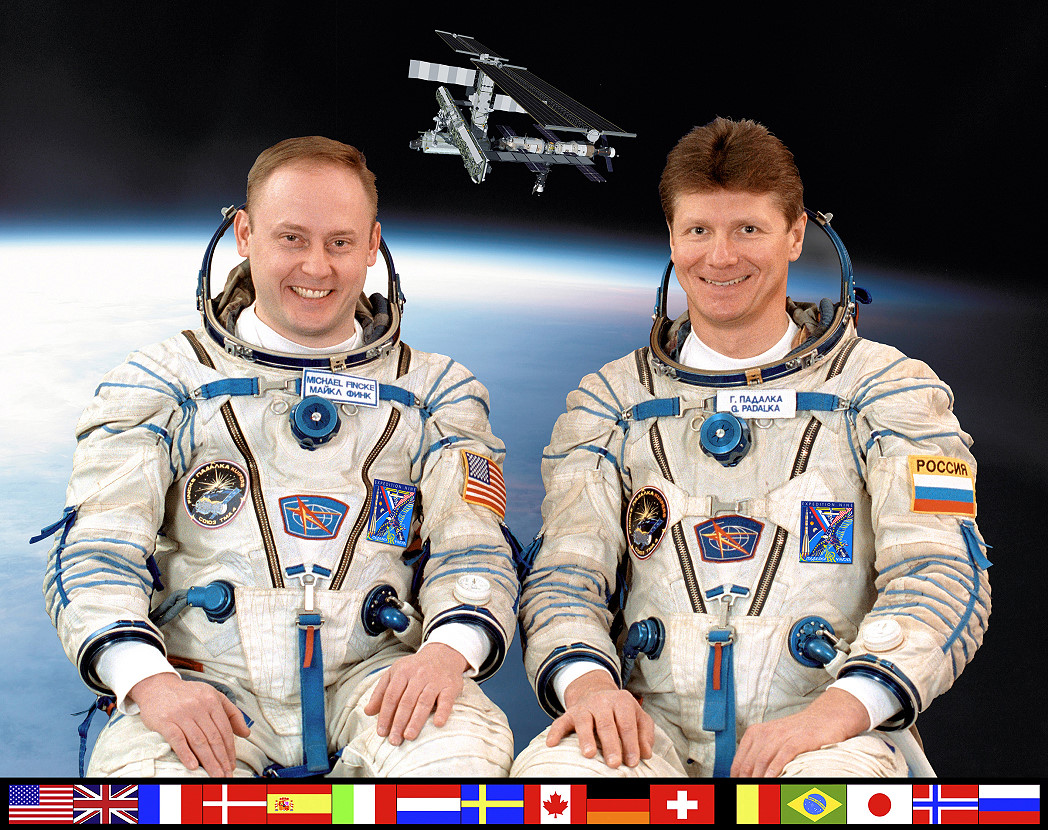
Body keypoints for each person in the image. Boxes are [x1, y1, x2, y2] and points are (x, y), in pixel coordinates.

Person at [513, 117, 990, 778]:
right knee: (557, 787)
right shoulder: (610, 404)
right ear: (672, 237)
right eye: (698, 231)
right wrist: (591, 688)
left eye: (748, 229)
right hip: (648, 735)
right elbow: (564, 578)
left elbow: (942, 572)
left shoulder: (892, 393)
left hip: (827, 736)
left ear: (796, 235)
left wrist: (837, 713)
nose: (720, 257)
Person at [40, 136, 517, 778]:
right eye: (292, 238)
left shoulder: (436, 394)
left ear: (372, 245)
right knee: (145, 797)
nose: (316, 267)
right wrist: (149, 681)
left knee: (459, 769)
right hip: (203, 686)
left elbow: (476, 548)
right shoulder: (163, 384)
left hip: (379, 683)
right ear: (244, 234)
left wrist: (445, 653)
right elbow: (96, 550)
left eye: (340, 242)